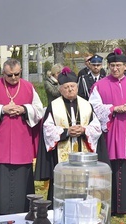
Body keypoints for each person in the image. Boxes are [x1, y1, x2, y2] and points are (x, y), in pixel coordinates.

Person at [0, 58, 44, 215]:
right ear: (3, 73)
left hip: (22, 137)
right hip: (1, 137)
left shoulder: (28, 86)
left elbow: (39, 109)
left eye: (16, 74)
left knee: (22, 172)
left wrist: (24, 109)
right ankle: (0, 206)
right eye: (10, 75)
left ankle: (24, 206)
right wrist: (2, 109)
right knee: (1, 171)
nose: (14, 78)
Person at [89, 48, 126, 216]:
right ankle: (113, 207)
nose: (115, 69)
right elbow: (93, 107)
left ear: (125, 66)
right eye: (112, 65)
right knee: (112, 166)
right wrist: (114, 108)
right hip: (112, 131)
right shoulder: (99, 86)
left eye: (118, 65)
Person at [35, 67, 103, 200]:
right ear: (60, 89)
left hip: (83, 148)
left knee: (84, 181)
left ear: (77, 87)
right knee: (61, 181)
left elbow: (96, 127)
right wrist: (66, 132)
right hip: (61, 150)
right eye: (66, 87)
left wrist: (84, 130)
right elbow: (47, 129)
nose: (70, 89)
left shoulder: (86, 104)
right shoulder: (54, 106)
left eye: (72, 86)